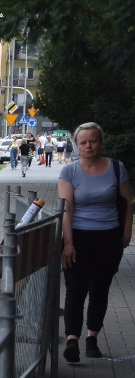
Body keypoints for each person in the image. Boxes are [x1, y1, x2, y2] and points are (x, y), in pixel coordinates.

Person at [58, 122, 132, 363]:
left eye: (93, 141)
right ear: (76, 145)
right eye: (83, 142)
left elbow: (127, 204)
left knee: (100, 289)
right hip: (77, 237)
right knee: (75, 289)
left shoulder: (117, 168)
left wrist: (126, 234)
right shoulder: (69, 172)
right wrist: (68, 244)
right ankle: (72, 340)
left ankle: (92, 338)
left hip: (108, 237)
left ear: (100, 142)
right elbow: (66, 209)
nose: (88, 146)